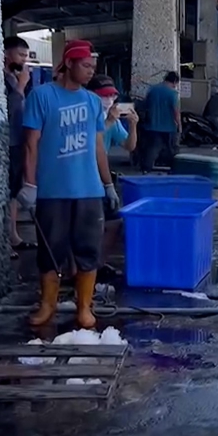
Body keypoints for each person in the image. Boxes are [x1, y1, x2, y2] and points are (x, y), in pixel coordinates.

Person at [17, 40, 120, 329]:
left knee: (88, 250)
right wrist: (30, 184)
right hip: (52, 192)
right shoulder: (42, 96)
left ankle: (84, 307)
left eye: (93, 67)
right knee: (51, 250)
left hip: (89, 191)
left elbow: (98, 145)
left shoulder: (91, 101)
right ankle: (47, 304)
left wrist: (108, 184)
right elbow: (30, 144)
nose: (90, 72)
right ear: (69, 63)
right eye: (86, 66)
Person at [87, 75, 139, 283]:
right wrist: (109, 120)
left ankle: (98, 264)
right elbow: (91, 143)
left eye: (112, 96)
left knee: (114, 222)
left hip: (102, 175)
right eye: (104, 96)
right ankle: (81, 269)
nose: (109, 100)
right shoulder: (89, 115)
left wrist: (133, 125)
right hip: (87, 176)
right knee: (90, 226)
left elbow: (129, 146)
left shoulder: (112, 118)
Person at [4, 36, 36, 259]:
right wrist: (22, 86)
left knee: (14, 191)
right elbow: (9, 109)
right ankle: (4, 238)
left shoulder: (15, 78)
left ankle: (13, 235)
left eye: (26, 56)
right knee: (6, 192)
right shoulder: (2, 79)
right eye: (20, 55)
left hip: (17, 140)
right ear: (7, 54)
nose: (24, 60)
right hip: (7, 140)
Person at [140, 71, 181, 173]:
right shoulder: (172, 93)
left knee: (152, 148)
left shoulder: (152, 90)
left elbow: (145, 106)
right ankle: (175, 169)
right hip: (168, 127)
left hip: (151, 125)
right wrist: (179, 125)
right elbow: (175, 111)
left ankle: (146, 168)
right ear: (175, 81)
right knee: (172, 149)